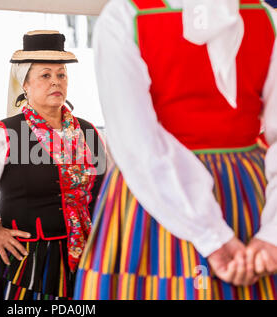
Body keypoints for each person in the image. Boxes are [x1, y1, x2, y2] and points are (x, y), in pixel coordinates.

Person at [74, 0, 277, 300]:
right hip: (246, 190)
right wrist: (270, 234)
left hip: (155, 191)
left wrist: (218, 236)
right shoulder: (265, 15)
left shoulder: (125, 16)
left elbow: (138, 144)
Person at [0, 30, 107, 300]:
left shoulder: (89, 133)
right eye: (45, 75)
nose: (55, 82)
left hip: (88, 261)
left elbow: (113, 191)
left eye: (61, 75)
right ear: (25, 83)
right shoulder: (3, 135)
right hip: (27, 264)